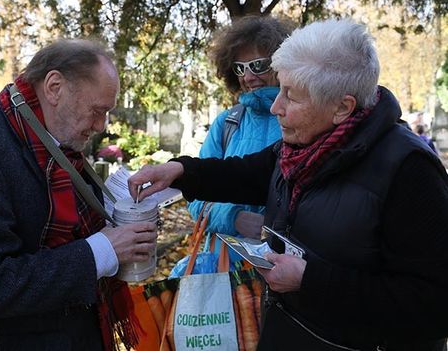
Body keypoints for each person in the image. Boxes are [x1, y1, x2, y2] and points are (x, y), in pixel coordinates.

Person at [129, 19, 448, 350]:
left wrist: (308, 281)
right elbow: (247, 173)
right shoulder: (303, 146)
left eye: (290, 96)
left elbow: (434, 303)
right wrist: (180, 171)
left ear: (342, 107)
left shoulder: (409, 171)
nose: (275, 106)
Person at [0, 39, 157, 351]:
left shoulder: (53, 140)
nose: (101, 125)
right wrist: (101, 252)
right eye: (97, 111)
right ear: (54, 87)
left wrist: (120, 215)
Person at [188, 16, 291, 244]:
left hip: (282, 267)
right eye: (240, 68)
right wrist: (233, 218)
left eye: (258, 65)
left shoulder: (300, 120)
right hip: (225, 266)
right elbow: (195, 197)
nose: (248, 77)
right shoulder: (227, 123)